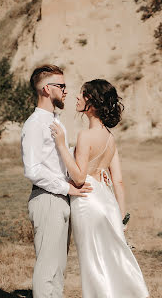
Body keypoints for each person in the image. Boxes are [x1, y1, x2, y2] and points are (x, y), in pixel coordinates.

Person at [50, 79, 149, 298]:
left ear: (92, 102)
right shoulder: (110, 139)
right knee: (114, 257)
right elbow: (119, 181)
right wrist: (122, 218)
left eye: (82, 94)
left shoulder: (85, 136)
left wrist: (61, 145)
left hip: (88, 201)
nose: (77, 96)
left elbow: (78, 177)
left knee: (93, 261)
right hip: (108, 203)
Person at [21, 64, 92, 298]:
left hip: (60, 198)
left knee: (58, 270)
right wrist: (66, 188)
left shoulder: (56, 122)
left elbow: (59, 161)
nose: (66, 91)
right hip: (47, 198)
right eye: (61, 86)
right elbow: (32, 170)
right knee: (47, 270)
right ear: (45, 89)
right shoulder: (34, 124)